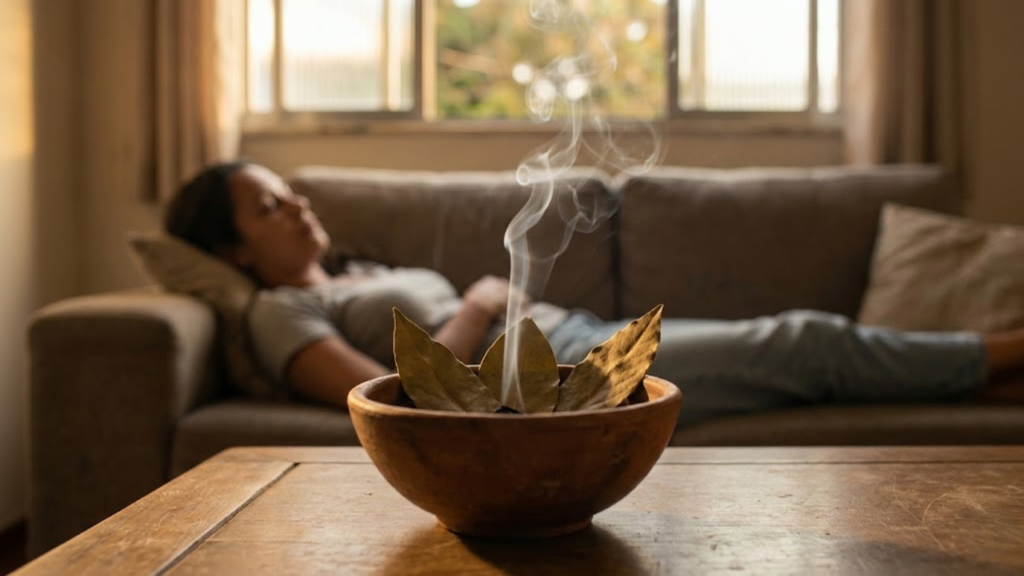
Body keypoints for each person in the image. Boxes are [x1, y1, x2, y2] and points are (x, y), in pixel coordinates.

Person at [165, 161, 1024, 424]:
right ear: (232, 247)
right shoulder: (280, 310)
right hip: (557, 377)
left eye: (292, 191)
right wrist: (478, 305)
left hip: (577, 336)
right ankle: (1003, 357)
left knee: (801, 352)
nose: (298, 206)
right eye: (269, 206)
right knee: (800, 342)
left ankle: (979, 373)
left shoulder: (356, 273)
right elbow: (383, 397)